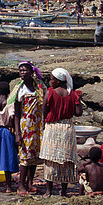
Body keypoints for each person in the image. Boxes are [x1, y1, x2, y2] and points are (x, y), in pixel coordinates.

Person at [40, 68, 82, 197]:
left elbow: (44, 110)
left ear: (58, 80)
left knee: (50, 159)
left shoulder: (50, 92)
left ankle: (48, 191)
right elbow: (79, 112)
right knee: (66, 160)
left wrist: (43, 124)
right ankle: (63, 191)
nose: (50, 81)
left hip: (52, 127)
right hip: (67, 128)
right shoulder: (73, 94)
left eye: (52, 79)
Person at [9, 61, 45, 196]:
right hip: (26, 127)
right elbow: (17, 113)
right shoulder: (19, 89)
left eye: (25, 70)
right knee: (25, 157)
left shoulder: (39, 87)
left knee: (34, 157)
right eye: (20, 71)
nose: (22, 73)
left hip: (37, 126)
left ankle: (30, 183)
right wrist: (17, 133)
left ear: (32, 72)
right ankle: (21, 185)